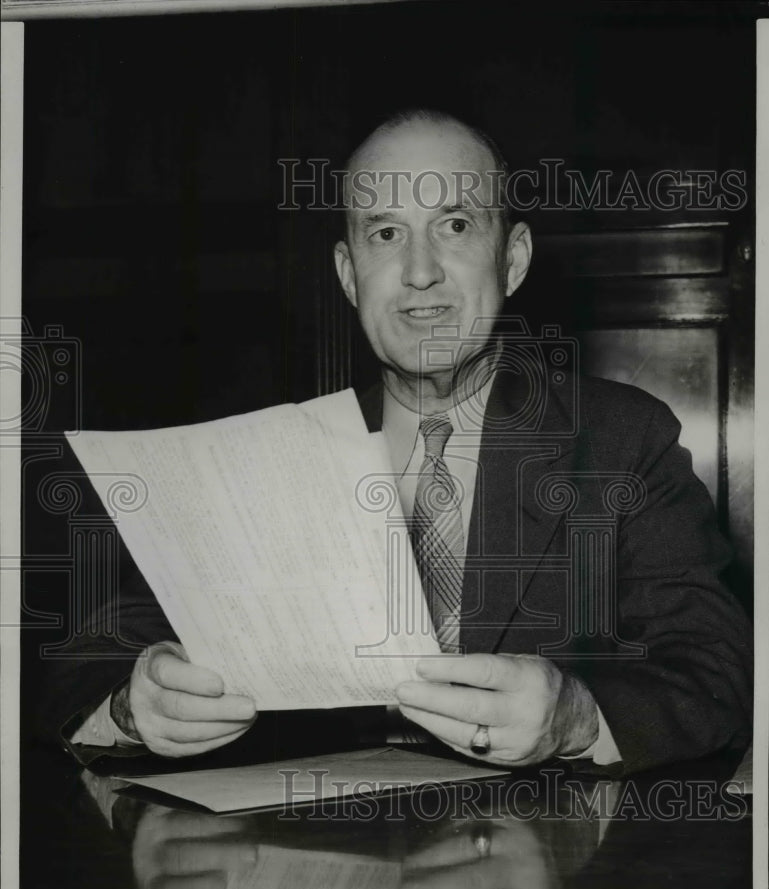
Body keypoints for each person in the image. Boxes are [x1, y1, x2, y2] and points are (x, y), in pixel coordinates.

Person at [42, 109, 752, 776]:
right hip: (316, 867)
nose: (418, 271)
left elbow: (717, 673)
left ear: (511, 259)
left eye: (453, 225)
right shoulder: (263, 456)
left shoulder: (620, 439)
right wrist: (138, 707)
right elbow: (84, 662)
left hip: (546, 873)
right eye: (384, 233)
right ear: (349, 275)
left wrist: (575, 716)